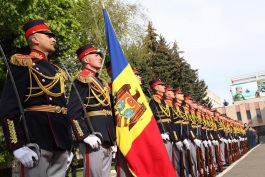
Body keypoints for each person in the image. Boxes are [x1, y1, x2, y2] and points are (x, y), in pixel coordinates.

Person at [0, 19, 72, 177]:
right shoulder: (24, 63)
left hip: (60, 140)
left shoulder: (56, 70)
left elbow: (63, 108)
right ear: (35, 39)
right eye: (49, 36)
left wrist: (69, 145)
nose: (54, 39)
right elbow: (9, 107)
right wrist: (16, 145)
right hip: (36, 137)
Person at [67, 43, 116, 177]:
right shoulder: (82, 79)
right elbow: (73, 111)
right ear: (86, 59)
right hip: (93, 134)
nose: (99, 58)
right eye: (96, 55)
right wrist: (84, 135)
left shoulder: (102, 82)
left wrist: (113, 138)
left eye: (100, 55)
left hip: (107, 137)